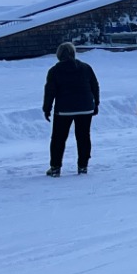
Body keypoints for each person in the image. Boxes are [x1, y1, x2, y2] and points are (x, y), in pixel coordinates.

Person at [43, 42, 100, 176]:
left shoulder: (54, 71)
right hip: (85, 108)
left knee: (58, 138)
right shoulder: (86, 68)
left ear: (59, 55)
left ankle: (55, 167)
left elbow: (50, 91)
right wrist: (96, 103)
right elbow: (94, 86)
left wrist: (47, 109)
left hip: (64, 110)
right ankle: (83, 166)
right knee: (83, 137)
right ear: (73, 53)